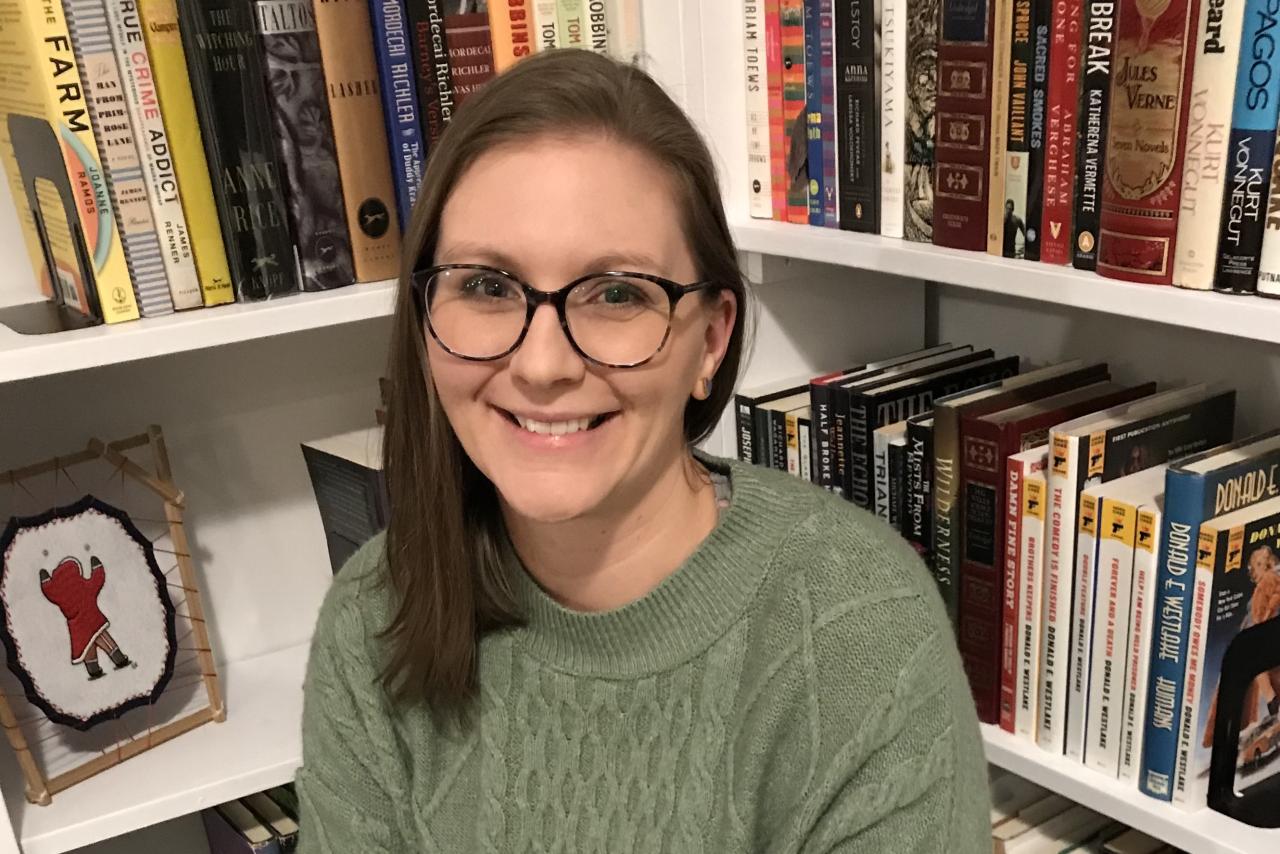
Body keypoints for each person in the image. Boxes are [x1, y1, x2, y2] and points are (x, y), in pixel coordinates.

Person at [296, 49, 989, 852]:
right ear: (423, 318)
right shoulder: (375, 613)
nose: (543, 365)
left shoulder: (857, 634)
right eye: (487, 286)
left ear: (710, 340)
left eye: (617, 293)